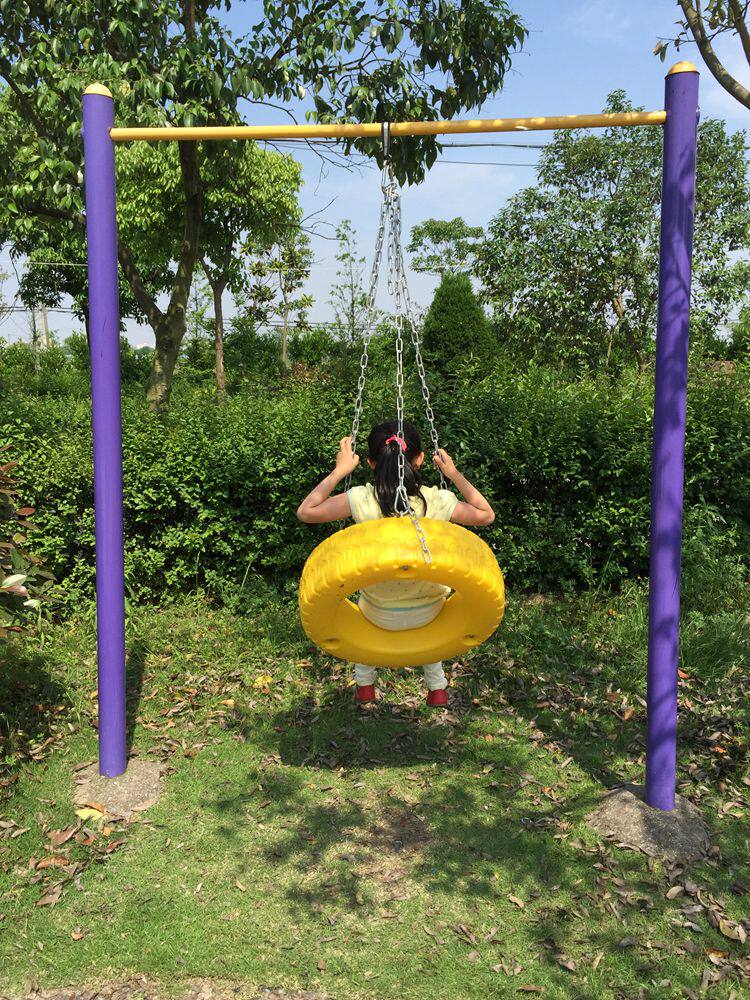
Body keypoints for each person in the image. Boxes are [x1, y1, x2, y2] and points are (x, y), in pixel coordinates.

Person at [297, 420, 495, 706]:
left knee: (360, 624)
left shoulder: (362, 499)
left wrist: (340, 471)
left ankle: (365, 687)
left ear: (370, 463)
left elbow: (306, 511)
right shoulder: (437, 500)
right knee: (436, 631)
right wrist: (453, 473)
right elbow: (486, 515)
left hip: (378, 614)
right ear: (421, 459)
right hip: (431, 613)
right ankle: (437, 689)